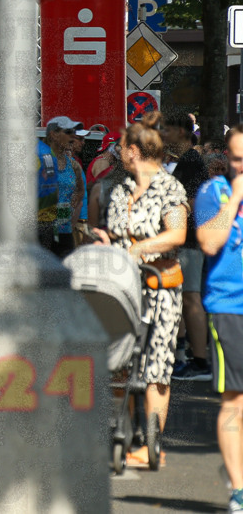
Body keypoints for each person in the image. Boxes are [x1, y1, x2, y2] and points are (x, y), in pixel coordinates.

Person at [94, 112, 187, 469]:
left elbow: (176, 234)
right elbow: (116, 233)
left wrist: (140, 248)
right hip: (123, 286)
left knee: (156, 365)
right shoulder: (120, 189)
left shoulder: (169, 187)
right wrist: (106, 241)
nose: (118, 153)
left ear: (134, 151)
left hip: (158, 286)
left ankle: (152, 442)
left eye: (121, 148)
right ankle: (121, 429)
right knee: (120, 359)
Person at [194, 124, 243, 512]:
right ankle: (238, 491)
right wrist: (235, 199)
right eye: (238, 159)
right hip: (230, 308)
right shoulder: (214, 192)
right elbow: (210, 242)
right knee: (235, 400)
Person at [164, 112, 212, 381]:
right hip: (186, 239)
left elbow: (191, 203)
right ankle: (186, 356)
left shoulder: (191, 161)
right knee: (185, 298)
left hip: (189, 240)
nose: (164, 135)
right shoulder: (186, 160)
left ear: (181, 132)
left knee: (191, 298)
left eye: (168, 130)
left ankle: (200, 361)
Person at [44, 116, 86, 258]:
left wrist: (70, 212)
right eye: (68, 132)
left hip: (65, 233)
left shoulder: (73, 165)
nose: (73, 137)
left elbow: (80, 190)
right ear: (53, 135)